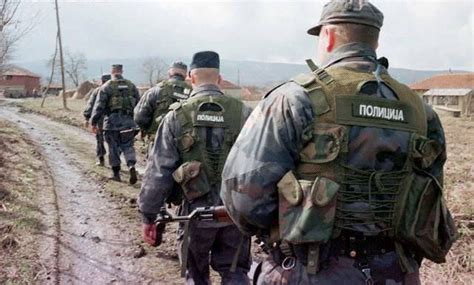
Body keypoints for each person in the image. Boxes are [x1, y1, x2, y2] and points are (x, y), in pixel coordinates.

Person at [221, 1, 457, 284]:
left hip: (308, 270)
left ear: (328, 36)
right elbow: (429, 196)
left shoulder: (295, 99)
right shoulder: (420, 111)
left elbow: (244, 200)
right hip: (396, 271)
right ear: (376, 40)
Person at [139, 51, 252, 284]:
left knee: (195, 274)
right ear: (219, 79)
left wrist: (149, 215)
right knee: (235, 273)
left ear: (191, 78)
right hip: (235, 211)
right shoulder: (244, 114)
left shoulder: (176, 117)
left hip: (194, 214)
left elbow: (158, 171)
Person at [91, 64, 140, 184]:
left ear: (112, 72)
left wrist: (93, 122)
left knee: (113, 149)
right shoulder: (131, 85)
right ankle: (131, 165)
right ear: (122, 71)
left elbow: (99, 106)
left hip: (112, 124)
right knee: (128, 146)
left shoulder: (107, 87)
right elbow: (139, 105)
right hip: (129, 123)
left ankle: (116, 174)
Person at [134, 61, 191, 156]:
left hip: (157, 142)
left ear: (169, 73)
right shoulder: (193, 93)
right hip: (185, 146)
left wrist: (149, 130)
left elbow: (139, 117)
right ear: (186, 75)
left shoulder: (155, 90)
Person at [83, 74, 111, 166]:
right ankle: (114, 161)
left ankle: (101, 159)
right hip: (113, 120)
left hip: (100, 119)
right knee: (113, 141)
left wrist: (87, 117)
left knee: (100, 140)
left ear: (102, 81)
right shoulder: (115, 91)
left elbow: (90, 105)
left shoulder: (97, 91)